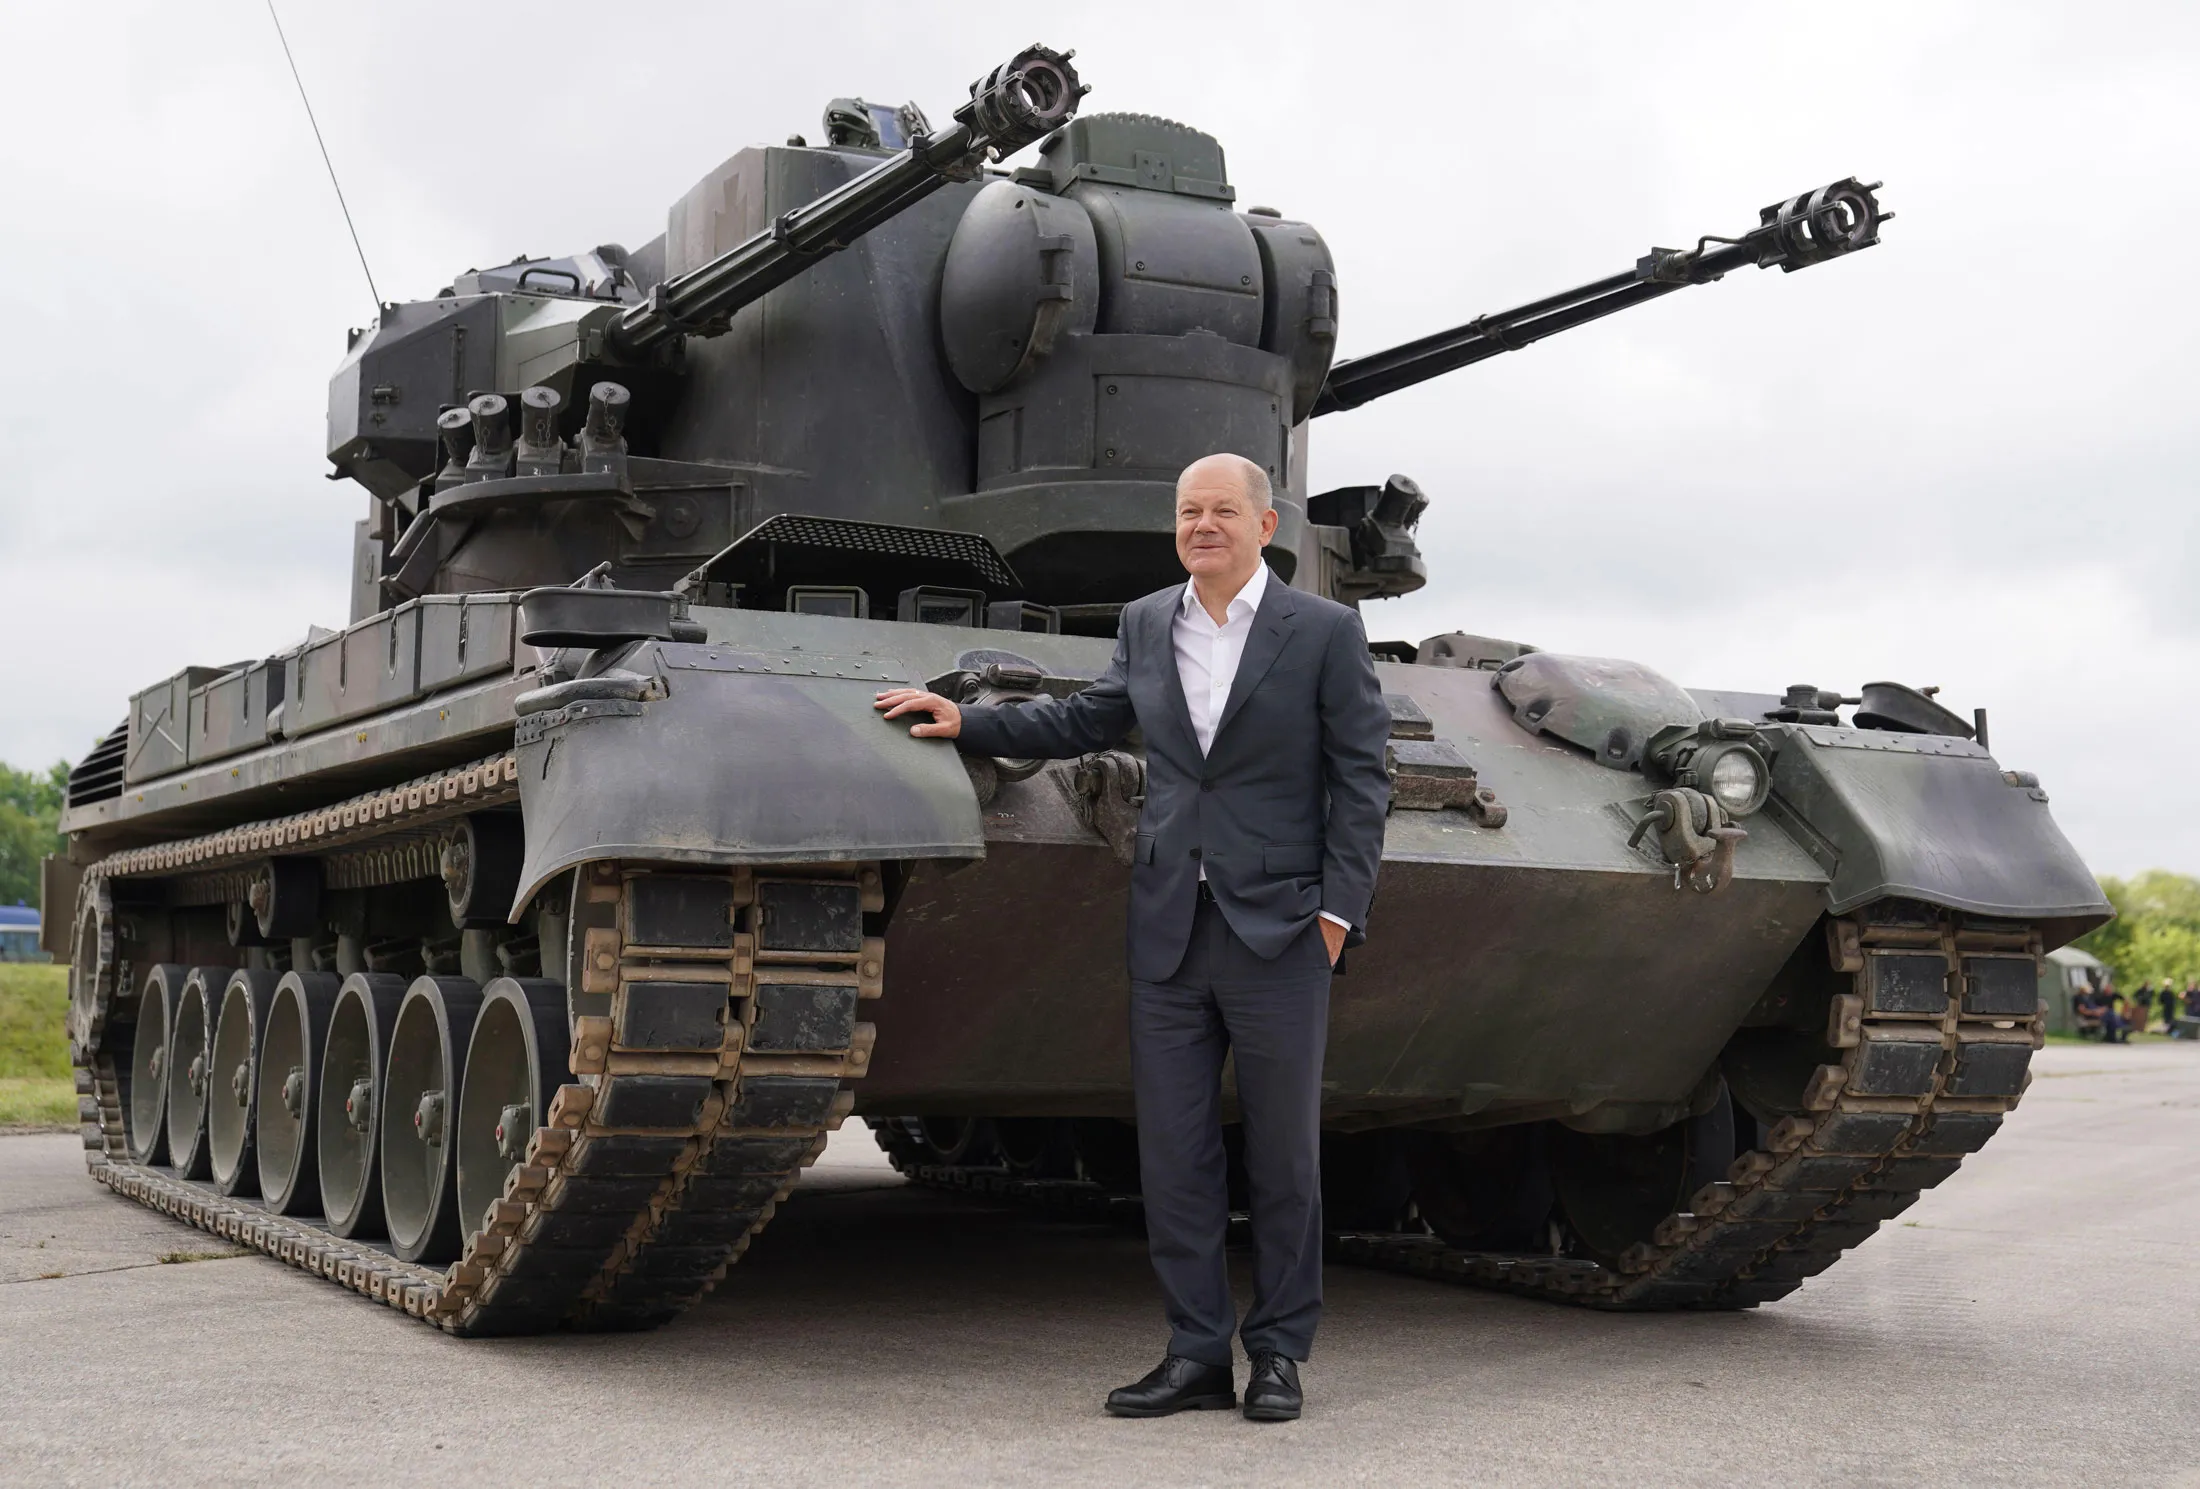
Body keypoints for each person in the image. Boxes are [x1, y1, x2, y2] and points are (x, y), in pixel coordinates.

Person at [875, 451, 1391, 1423]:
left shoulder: (1322, 630)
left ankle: (1278, 1352)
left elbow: (1363, 776)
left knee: (1283, 1158)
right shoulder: (1149, 620)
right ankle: (1195, 1353)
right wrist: (970, 721)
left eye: (1222, 510)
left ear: (1264, 526)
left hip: (1280, 929)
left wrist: (1335, 914)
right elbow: (1089, 718)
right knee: (1175, 1155)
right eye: (1189, 511)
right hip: (1168, 929)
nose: (1203, 525)